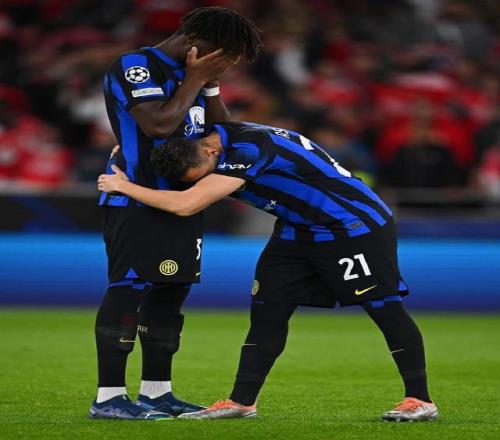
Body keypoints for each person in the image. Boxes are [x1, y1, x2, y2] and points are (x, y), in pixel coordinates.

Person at [97, 122, 438, 422]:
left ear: (211, 151)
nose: (208, 183)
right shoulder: (213, 137)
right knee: (268, 310)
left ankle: (420, 400)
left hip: (350, 224)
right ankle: (241, 402)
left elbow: (187, 204)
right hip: (297, 228)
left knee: (383, 308)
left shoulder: (250, 149)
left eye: (204, 176)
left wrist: (122, 186)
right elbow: (161, 129)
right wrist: (127, 151)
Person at [89, 8, 262, 420]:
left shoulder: (197, 79)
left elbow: (224, 135)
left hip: (185, 201)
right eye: (223, 54)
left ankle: (156, 393)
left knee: (170, 294)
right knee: (129, 290)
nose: (226, 64)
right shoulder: (136, 66)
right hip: (135, 200)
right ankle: (109, 397)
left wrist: (210, 85)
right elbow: (158, 126)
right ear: (194, 42)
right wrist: (196, 80)